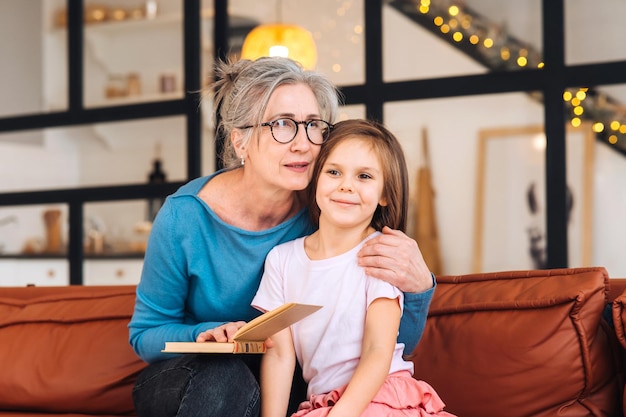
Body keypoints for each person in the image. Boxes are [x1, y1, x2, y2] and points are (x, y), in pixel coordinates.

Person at [128, 57, 435, 417]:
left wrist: (418, 288)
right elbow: (145, 334)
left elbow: (391, 347)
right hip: (195, 373)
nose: (304, 143)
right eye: (283, 125)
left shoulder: (332, 210)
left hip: (286, 381)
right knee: (225, 376)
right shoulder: (184, 217)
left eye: (312, 125)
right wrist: (204, 334)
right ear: (239, 140)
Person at [252, 119, 453, 417]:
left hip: (380, 395)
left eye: (364, 176)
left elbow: (377, 351)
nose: (346, 185)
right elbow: (280, 353)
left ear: (385, 194)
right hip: (324, 402)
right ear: (316, 179)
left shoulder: (381, 254)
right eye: (334, 172)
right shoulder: (281, 260)